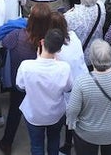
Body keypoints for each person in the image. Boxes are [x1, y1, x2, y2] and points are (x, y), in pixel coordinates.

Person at [16, 27, 73, 155]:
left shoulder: (26, 66)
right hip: (55, 114)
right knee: (54, 142)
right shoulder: (64, 67)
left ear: (42, 42)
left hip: (34, 115)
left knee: (36, 145)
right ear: (59, 49)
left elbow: (20, 87)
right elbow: (69, 89)